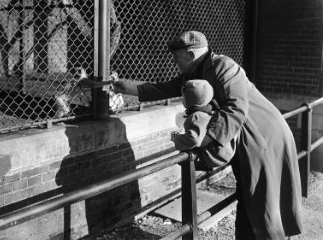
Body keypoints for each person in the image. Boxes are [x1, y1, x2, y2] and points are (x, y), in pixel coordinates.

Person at [113, 31, 303, 240]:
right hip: (242, 134)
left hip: (262, 133)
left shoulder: (224, 66)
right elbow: (161, 89)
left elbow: (235, 109)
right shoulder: (194, 74)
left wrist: (204, 139)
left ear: (191, 55)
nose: (175, 61)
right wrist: (118, 85)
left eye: (177, 57)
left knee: (262, 199)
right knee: (249, 197)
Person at [172, 79, 236, 170]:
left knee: (183, 157)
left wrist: (176, 139)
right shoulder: (210, 110)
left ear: (190, 100)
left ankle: (201, 165)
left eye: (183, 97)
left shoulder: (197, 116)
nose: (182, 100)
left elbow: (193, 139)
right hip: (225, 151)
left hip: (215, 156)